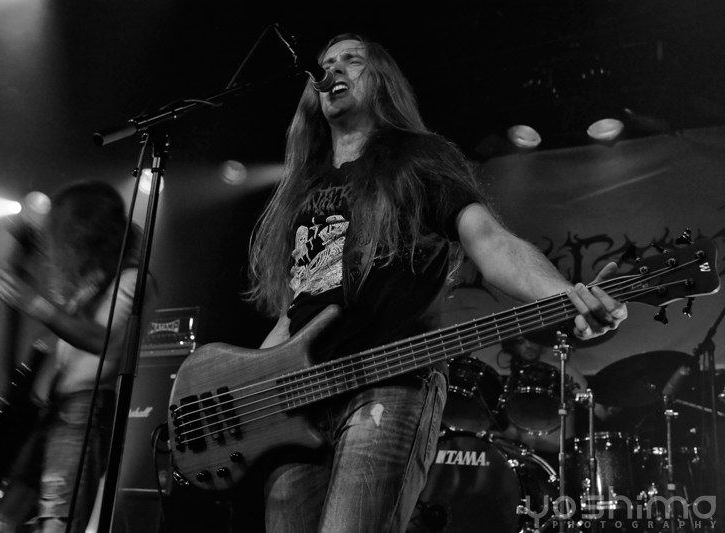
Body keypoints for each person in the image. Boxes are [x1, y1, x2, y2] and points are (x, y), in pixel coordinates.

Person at [246, 33, 627, 533]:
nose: (333, 69)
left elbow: (490, 242)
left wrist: (567, 297)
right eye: (327, 62)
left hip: (387, 383)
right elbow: (298, 306)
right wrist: (238, 390)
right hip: (300, 402)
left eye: (352, 60)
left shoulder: (417, 157)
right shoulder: (306, 184)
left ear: (381, 79)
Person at [0, 181, 144, 533]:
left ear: (85, 233)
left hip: (83, 413)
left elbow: (101, 340)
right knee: (0, 521)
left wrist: (34, 303)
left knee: (58, 522)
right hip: (53, 411)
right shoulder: (91, 286)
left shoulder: (131, 279)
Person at [497, 331, 620, 453]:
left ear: (540, 341)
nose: (528, 345)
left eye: (532, 340)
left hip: (562, 455)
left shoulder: (562, 371)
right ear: (512, 346)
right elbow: (515, 430)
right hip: (529, 457)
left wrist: (615, 403)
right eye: (520, 342)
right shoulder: (514, 379)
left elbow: (598, 409)